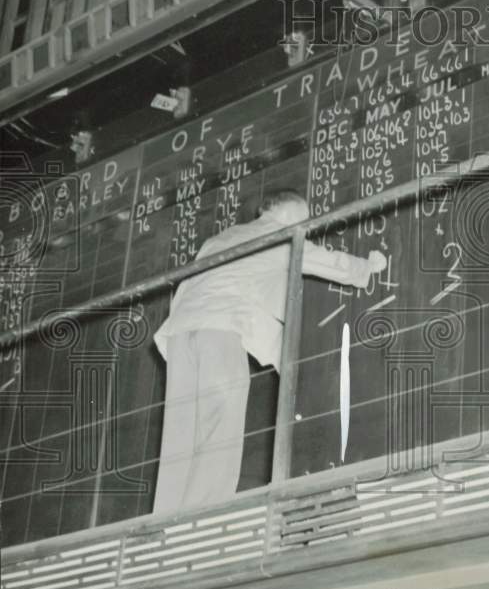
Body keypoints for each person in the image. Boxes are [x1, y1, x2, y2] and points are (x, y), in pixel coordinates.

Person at [151, 188, 386, 514]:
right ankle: (201, 516)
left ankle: (163, 519)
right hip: (219, 329)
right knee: (221, 423)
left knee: (180, 432)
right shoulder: (278, 234)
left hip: (180, 334)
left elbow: (191, 288)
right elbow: (323, 260)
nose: (307, 224)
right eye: (304, 217)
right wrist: (367, 267)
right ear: (288, 212)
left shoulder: (221, 238)